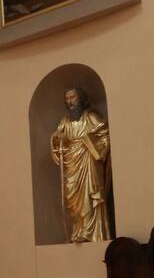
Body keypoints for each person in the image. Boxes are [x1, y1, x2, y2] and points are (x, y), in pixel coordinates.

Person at [50, 88, 111, 243]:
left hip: (88, 160)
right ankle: (78, 231)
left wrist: (100, 151)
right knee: (73, 196)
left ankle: (91, 233)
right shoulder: (64, 122)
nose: (70, 101)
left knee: (89, 193)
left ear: (80, 99)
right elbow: (57, 139)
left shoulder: (91, 117)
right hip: (72, 163)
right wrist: (57, 138)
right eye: (67, 98)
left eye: (73, 97)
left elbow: (104, 135)